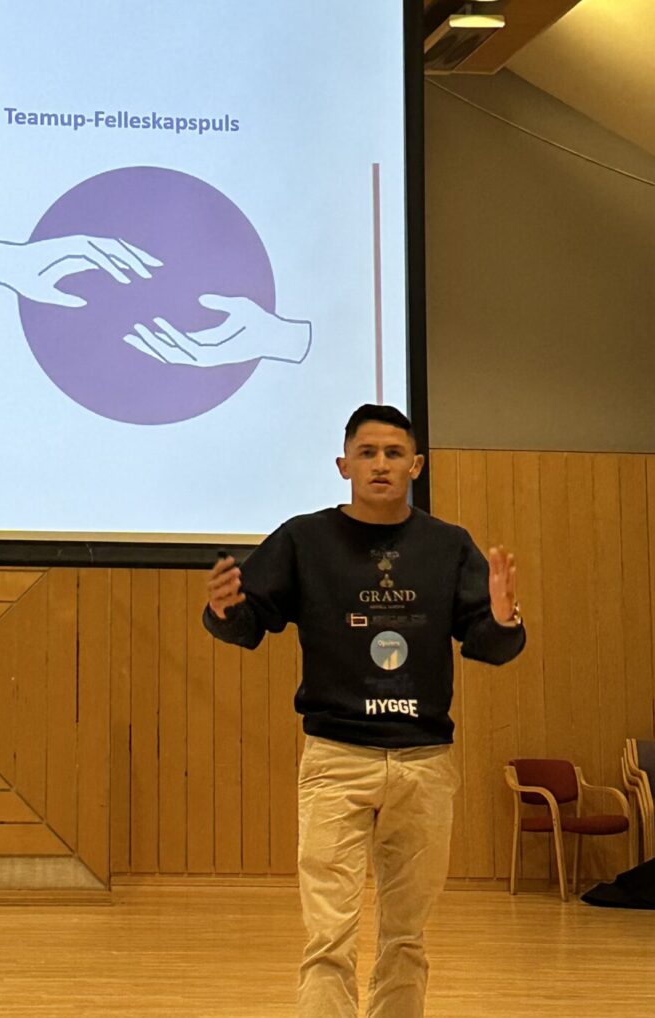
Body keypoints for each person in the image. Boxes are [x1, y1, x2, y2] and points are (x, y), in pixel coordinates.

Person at [203, 404, 525, 1018]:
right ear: (343, 464)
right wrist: (224, 611)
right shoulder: (304, 539)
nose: (381, 464)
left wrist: (506, 617)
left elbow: (489, 643)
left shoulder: (448, 545)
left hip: (424, 763)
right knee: (328, 938)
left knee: (406, 936)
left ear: (416, 466)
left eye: (394, 454)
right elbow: (249, 622)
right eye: (368, 453)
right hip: (336, 759)